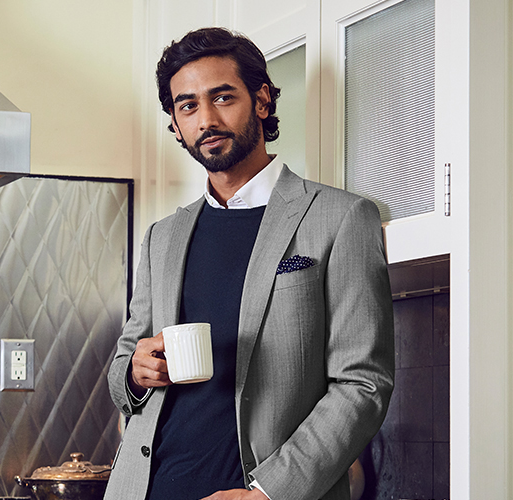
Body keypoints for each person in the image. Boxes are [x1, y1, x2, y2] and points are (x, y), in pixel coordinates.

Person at [104, 27, 395, 500]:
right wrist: (137, 373)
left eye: (222, 97)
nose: (206, 119)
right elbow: (124, 365)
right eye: (188, 106)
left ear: (261, 100)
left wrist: (267, 493)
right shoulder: (162, 237)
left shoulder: (340, 219)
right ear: (176, 125)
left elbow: (362, 384)